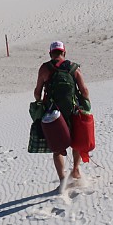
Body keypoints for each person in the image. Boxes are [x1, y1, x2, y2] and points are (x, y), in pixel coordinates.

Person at [34, 40, 91, 183]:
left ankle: (62, 179)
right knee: (76, 141)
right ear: (64, 52)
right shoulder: (73, 68)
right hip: (72, 110)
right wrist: (85, 105)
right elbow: (84, 91)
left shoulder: (44, 68)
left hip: (53, 113)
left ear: (50, 53)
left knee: (57, 146)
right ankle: (76, 169)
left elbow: (37, 92)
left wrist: (41, 103)